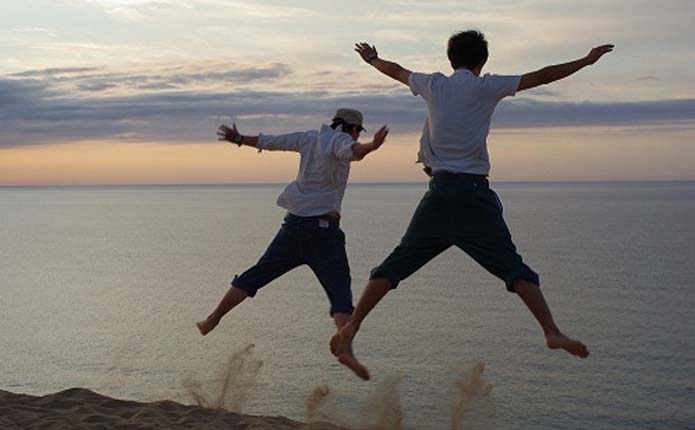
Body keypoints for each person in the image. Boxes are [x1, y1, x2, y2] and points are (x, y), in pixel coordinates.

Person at [330, 31, 614, 380]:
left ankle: (353, 326)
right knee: (513, 267)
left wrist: (372, 59)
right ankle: (551, 331)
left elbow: (397, 71)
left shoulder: (433, 84)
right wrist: (585, 61)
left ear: (451, 60)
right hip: (473, 196)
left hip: (438, 195)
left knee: (395, 264)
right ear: (482, 62)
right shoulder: (487, 87)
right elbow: (541, 75)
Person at [197, 109, 389, 345]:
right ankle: (345, 345)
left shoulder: (309, 138)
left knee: (257, 274)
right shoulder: (342, 140)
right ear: (353, 129)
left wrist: (239, 139)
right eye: (358, 132)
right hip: (324, 232)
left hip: (294, 225)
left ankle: (212, 319)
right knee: (339, 289)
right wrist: (372, 146)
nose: (357, 136)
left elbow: (271, 142)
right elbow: (352, 151)